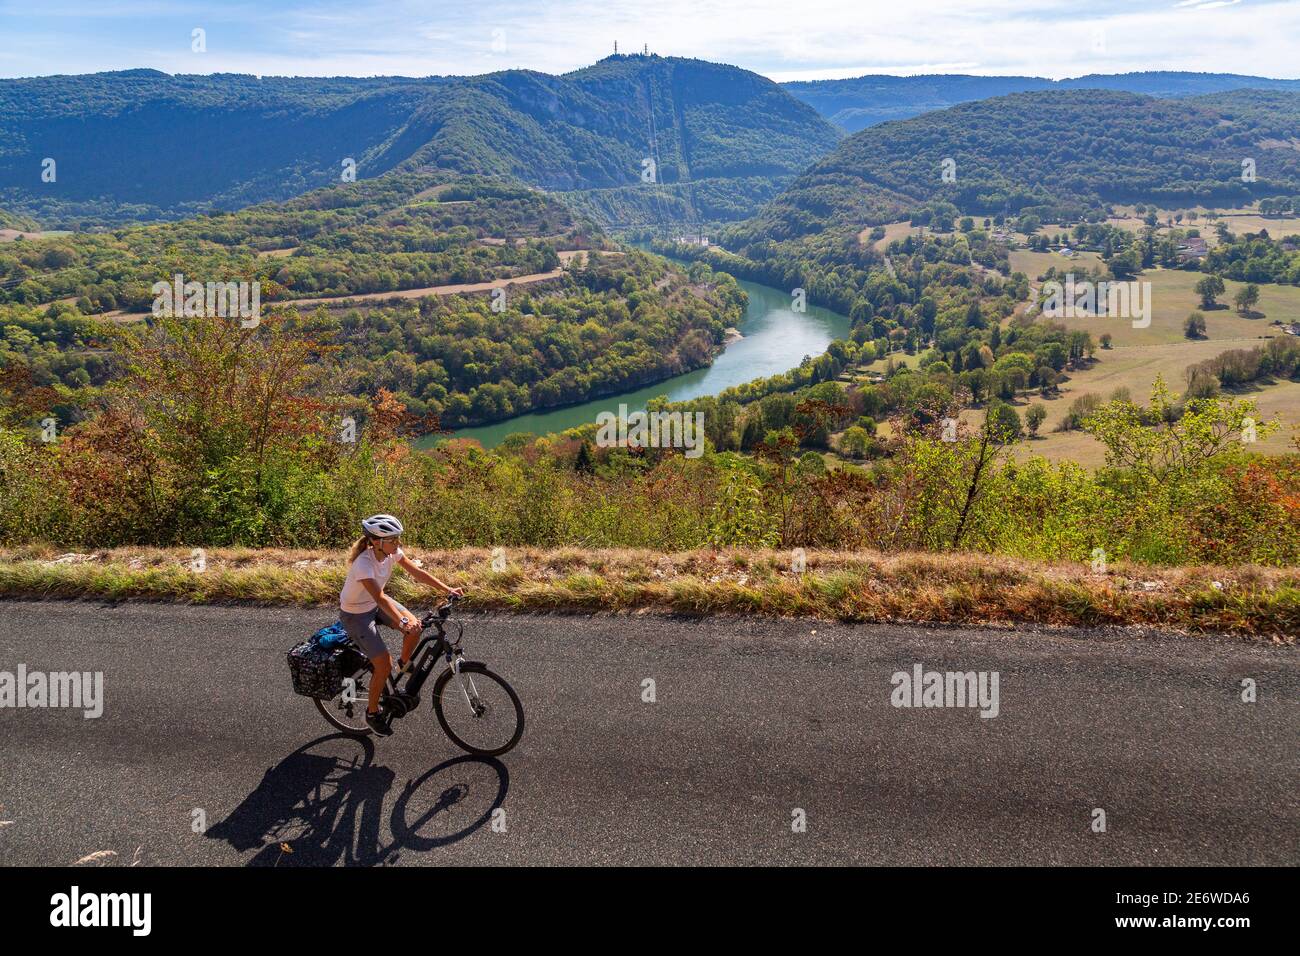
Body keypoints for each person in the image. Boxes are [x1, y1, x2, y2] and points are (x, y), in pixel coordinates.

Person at [338, 514, 463, 735]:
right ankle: (372, 713)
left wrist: (447, 589)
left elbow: (417, 572)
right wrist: (402, 621)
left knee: (416, 628)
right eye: (393, 540)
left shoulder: (391, 553)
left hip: (374, 604)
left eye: (398, 539)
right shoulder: (363, 564)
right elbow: (380, 598)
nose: (398, 544)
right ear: (376, 541)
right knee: (383, 663)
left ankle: (404, 663)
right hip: (356, 615)